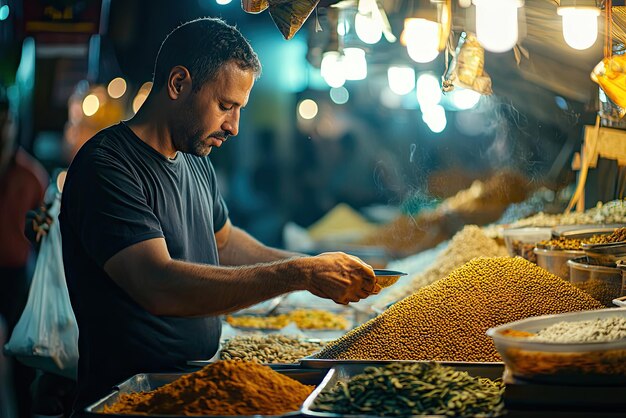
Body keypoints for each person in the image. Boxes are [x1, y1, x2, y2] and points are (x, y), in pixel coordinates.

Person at [59, 17, 380, 411]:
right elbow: (156, 284)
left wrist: (310, 265)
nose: (234, 126)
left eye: (239, 109)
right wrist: (297, 274)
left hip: (193, 383)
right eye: (226, 106)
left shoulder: (196, 162)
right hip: (133, 399)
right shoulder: (107, 166)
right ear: (178, 84)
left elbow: (225, 242)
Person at [0, 87, 48, 418]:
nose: (2, 128)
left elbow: (46, 233)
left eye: (7, 120)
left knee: (20, 360)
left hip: (15, 278)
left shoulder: (31, 175)